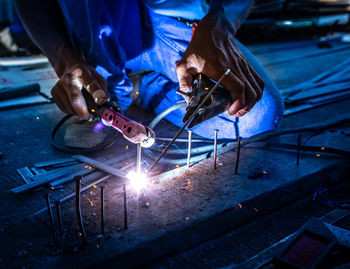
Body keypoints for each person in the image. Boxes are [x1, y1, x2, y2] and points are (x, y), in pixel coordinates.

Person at [14, 0, 283, 139]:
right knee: (94, 110)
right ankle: (116, 86)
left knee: (256, 114)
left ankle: (140, 87)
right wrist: (65, 60)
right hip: (93, 25)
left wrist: (218, 26)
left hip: (169, 20)